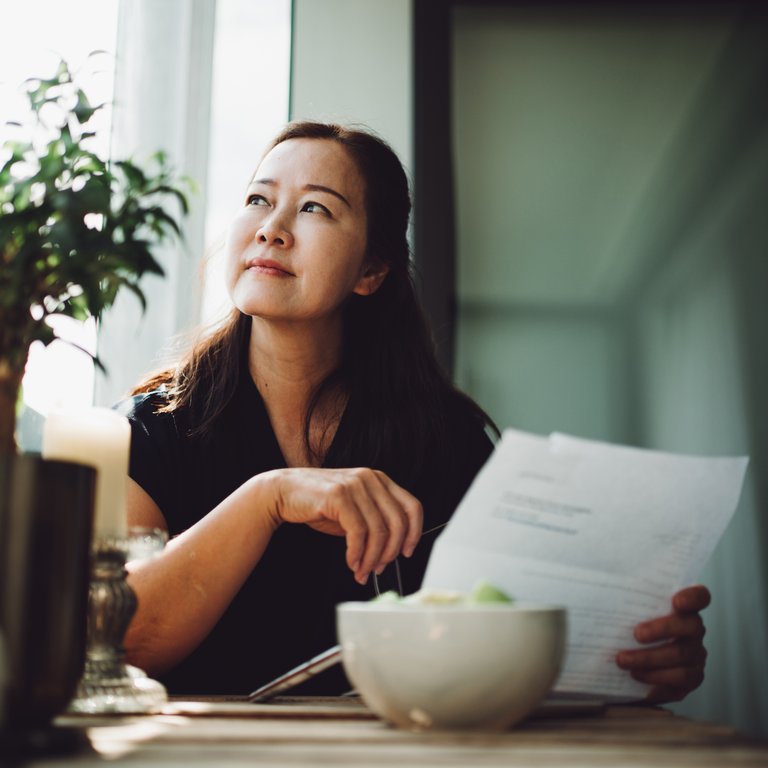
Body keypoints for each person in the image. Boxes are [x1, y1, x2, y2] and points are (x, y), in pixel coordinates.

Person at [120, 121, 710, 702]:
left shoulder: (447, 440)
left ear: (372, 270)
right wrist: (268, 498)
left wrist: (629, 654)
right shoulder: (150, 429)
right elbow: (121, 642)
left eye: (316, 209)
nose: (271, 229)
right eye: (258, 199)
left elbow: (498, 647)